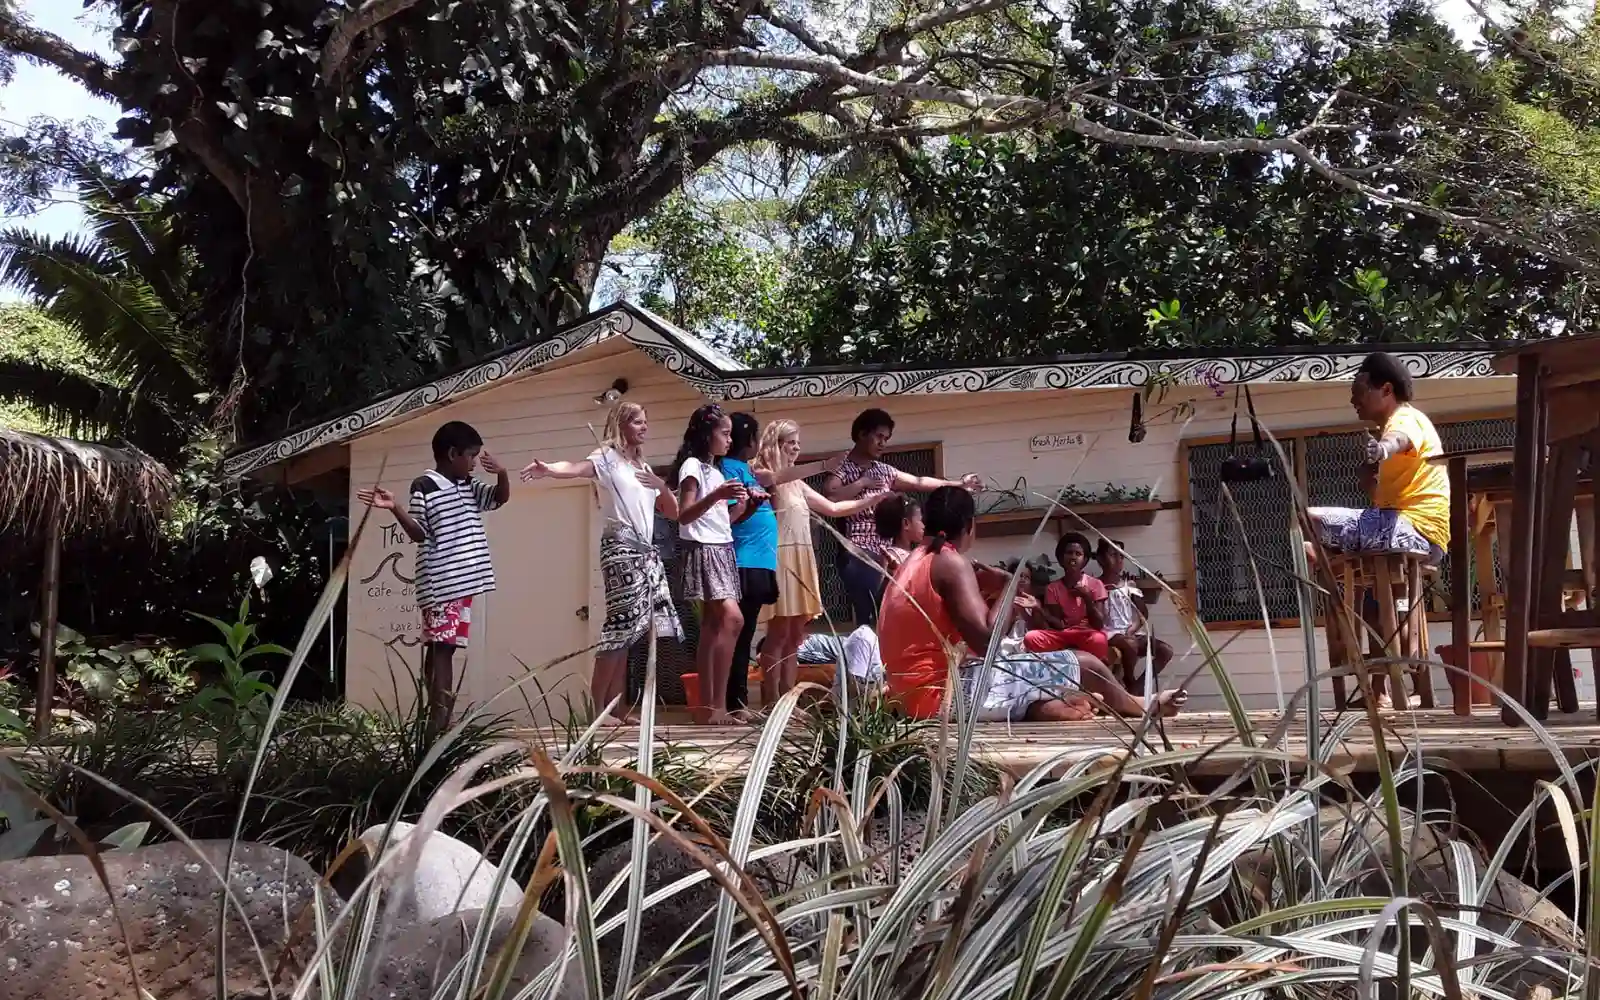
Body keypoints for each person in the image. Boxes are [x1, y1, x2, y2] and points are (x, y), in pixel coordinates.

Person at [879, 487, 1185, 721]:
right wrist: (1011, 586)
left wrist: (993, 591)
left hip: (911, 697)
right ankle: (1143, 706)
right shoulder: (950, 562)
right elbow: (987, 641)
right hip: (941, 698)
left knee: (1044, 692)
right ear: (970, 525)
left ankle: (1055, 708)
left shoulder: (914, 560)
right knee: (1085, 662)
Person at [519, 401, 680, 725]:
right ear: (621, 425)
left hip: (644, 551)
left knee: (633, 631)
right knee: (620, 627)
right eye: (637, 422)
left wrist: (661, 486)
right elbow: (576, 468)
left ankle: (617, 707)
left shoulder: (644, 470)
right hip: (620, 548)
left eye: (645, 422)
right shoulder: (606, 459)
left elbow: (673, 511)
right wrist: (549, 468)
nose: (644, 427)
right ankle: (597, 709)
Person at [357, 420, 509, 741]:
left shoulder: (468, 484)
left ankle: (436, 717)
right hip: (441, 581)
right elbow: (419, 533)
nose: (473, 462)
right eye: (470, 456)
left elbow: (499, 498)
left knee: (443, 648)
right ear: (452, 453)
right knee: (442, 648)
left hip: (461, 583)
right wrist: (395, 507)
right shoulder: (424, 486)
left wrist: (502, 473)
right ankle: (439, 721)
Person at [750, 418, 888, 708]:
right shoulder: (759, 471)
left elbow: (834, 508)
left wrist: (871, 499)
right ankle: (769, 700)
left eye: (798, 443)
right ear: (776, 444)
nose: (797, 448)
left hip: (802, 557)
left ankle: (788, 702)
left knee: (794, 636)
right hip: (780, 558)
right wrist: (825, 465)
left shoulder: (798, 483)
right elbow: (773, 479)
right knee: (777, 634)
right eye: (791, 442)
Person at [821, 408, 982, 626]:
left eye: (886, 439)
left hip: (889, 553)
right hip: (859, 553)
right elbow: (830, 496)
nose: (883, 443)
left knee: (893, 611)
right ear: (861, 434)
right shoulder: (843, 466)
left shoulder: (883, 470)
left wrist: (958, 485)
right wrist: (862, 483)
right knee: (870, 616)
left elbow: (919, 482)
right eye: (878, 436)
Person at [1307, 351, 1450, 567]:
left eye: (1360, 392)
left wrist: (1382, 449)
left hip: (1414, 530)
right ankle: (1333, 568)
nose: (1353, 400)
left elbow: (1399, 439)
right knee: (1312, 550)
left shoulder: (1405, 418)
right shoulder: (1404, 420)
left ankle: (1333, 572)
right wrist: (1370, 479)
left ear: (1386, 390)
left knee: (1309, 519)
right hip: (1420, 534)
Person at [671, 403, 750, 724]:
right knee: (733, 620)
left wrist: (741, 507)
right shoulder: (692, 466)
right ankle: (715, 704)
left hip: (721, 547)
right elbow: (684, 514)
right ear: (707, 435)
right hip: (704, 550)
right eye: (725, 433)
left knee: (714, 626)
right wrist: (717, 495)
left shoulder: (715, 471)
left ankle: (708, 708)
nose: (730, 440)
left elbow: (718, 522)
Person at [722, 413, 778, 718]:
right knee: (741, 636)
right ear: (750, 441)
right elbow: (734, 513)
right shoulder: (730, 469)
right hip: (744, 561)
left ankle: (737, 702)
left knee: (747, 632)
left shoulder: (745, 469)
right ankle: (736, 704)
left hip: (758, 562)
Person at [1095, 537, 1173, 690]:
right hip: (1109, 634)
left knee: (1165, 650)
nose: (1118, 560)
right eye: (1113, 555)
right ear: (1101, 559)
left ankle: (1137, 687)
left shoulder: (1129, 584)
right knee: (1129, 644)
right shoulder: (1096, 585)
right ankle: (1129, 680)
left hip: (1130, 632)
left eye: (1121, 555)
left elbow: (1142, 613)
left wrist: (1133, 628)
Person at [1022, 533, 1112, 662]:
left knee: (1099, 639)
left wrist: (1087, 598)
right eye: (1069, 553)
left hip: (1087, 634)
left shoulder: (1095, 584)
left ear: (1085, 560)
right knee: (1031, 637)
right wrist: (1038, 608)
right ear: (1060, 558)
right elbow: (1059, 625)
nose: (1073, 557)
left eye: (1078, 554)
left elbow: (1098, 624)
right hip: (1063, 634)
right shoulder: (1052, 588)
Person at [875, 494, 924, 576]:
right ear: (906, 524)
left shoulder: (916, 552)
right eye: (921, 520)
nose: (923, 525)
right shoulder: (892, 556)